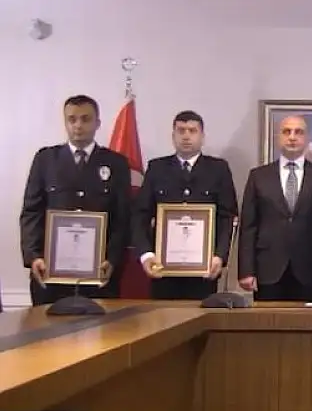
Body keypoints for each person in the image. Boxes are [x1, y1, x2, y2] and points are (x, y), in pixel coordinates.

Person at [20, 95, 131, 305]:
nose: (78, 125)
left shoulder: (116, 163)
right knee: (47, 325)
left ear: (97, 123)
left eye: (85, 119)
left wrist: (113, 259)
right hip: (51, 273)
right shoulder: (46, 159)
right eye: (72, 119)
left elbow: (123, 218)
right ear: (65, 122)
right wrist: (34, 257)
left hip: (99, 274)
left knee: (102, 326)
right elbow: (32, 212)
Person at [132, 110, 238, 300]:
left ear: (202, 136)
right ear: (173, 136)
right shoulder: (157, 168)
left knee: (201, 315)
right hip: (162, 268)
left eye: (192, 131)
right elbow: (140, 215)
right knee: (161, 315)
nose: (186, 136)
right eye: (181, 131)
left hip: (204, 269)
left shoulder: (218, 169)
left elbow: (227, 217)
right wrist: (146, 254)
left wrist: (220, 256)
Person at [238, 115, 312, 302]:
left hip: (309, 270)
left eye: (298, 132)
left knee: (306, 320)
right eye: (286, 132)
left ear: (307, 138)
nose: (292, 137)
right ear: (278, 138)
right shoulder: (258, 176)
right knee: (266, 320)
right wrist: (246, 270)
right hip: (267, 269)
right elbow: (248, 227)